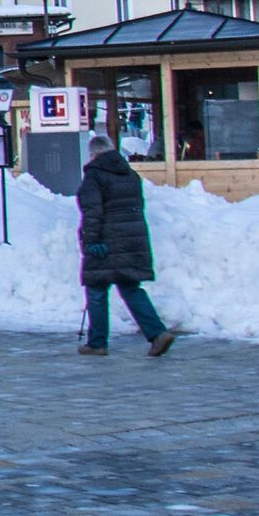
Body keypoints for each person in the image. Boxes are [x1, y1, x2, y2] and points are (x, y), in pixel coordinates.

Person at [77, 134, 176, 356]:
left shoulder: (94, 176)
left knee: (97, 289)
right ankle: (158, 333)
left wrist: (91, 241)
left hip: (105, 241)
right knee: (130, 287)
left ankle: (97, 343)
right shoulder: (130, 174)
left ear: (93, 155)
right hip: (132, 240)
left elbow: (92, 212)